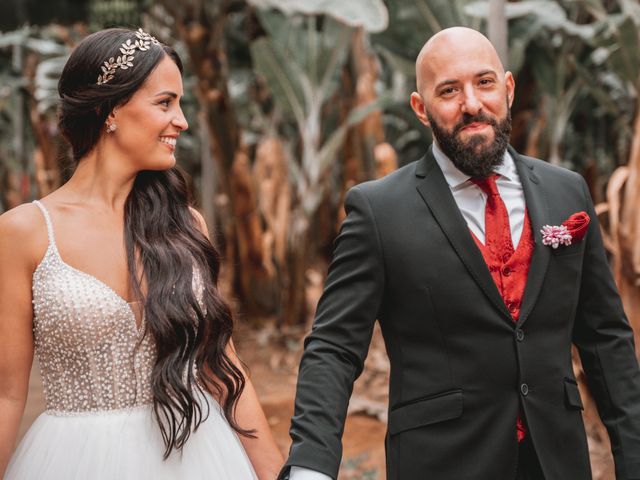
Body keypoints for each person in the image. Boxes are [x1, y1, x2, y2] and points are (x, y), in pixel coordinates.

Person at [281, 27, 640, 480]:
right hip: (441, 463)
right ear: (421, 108)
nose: (471, 103)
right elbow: (334, 347)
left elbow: (606, 339)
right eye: (449, 90)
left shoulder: (566, 191)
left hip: (556, 463)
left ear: (508, 88)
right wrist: (311, 466)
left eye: (484, 82)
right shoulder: (379, 211)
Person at [0, 28, 283, 479]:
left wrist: (275, 473)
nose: (182, 120)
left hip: (195, 454)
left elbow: (223, 367)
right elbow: (6, 394)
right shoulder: (25, 232)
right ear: (109, 109)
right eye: (165, 103)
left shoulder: (186, 226)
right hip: (73, 462)